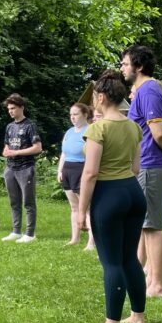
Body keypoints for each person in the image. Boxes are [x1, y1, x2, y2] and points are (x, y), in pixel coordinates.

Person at [78, 71, 147, 323]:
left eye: (95, 96)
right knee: (130, 257)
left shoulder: (98, 128)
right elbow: (135, 165)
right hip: (132, 192)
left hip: (109, 195)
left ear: (102, 97)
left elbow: (90, 173)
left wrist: (81, 211)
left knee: (111, 262)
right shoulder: (133, 126)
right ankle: (137, 317)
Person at [121, 45, 162, 298]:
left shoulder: (149, 90)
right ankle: (147, 277)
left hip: (149, 165)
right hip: (146, 164)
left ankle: (158, 285)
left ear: (139, 66)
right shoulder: (145, 91)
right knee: (144, 225)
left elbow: (158, 132)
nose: (122, 68)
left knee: (151, 226)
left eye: (125, 63)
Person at [1, 94, 43, 243]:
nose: (10, 111)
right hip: (10, 168)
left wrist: (17, 152)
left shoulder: (30, 125)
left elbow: (38, 147)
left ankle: (30, 234)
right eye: (9, 109)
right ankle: (16, 231)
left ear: (21, 107)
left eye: (13, 108)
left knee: (28, 202)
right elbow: (7, 144)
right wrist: (6, 151)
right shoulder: (9, 126)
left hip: (26, 168)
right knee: (14, 202)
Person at [58, 102, 95, 249]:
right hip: (68, 170)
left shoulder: (90, 130)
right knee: (74, 207)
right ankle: (75, 238)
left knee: (86, 208)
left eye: (76, 114)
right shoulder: (69, 132)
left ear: (85, 115)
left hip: (82, 169)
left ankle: (91, 242)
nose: (72, 117)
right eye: (71, 114)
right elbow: (64, 153)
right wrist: (60, 170)